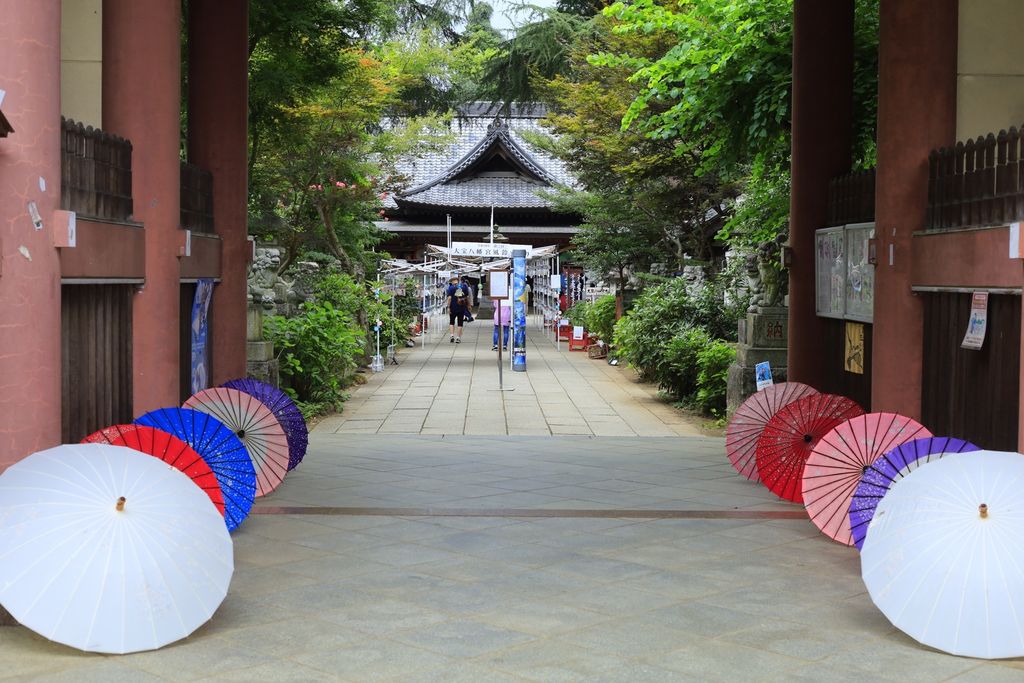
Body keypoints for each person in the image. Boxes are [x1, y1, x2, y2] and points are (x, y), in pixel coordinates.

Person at [446, 275, 470, 343]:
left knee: (451, 322)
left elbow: (449, 298)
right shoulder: (464, 286)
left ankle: (452, 335)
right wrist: (468, 305)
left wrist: (448, 307)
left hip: (453, 307)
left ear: (452, 281)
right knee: (460, 323)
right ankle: (458, 338)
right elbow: (467, 297)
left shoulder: (451, 288)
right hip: (461, 307)